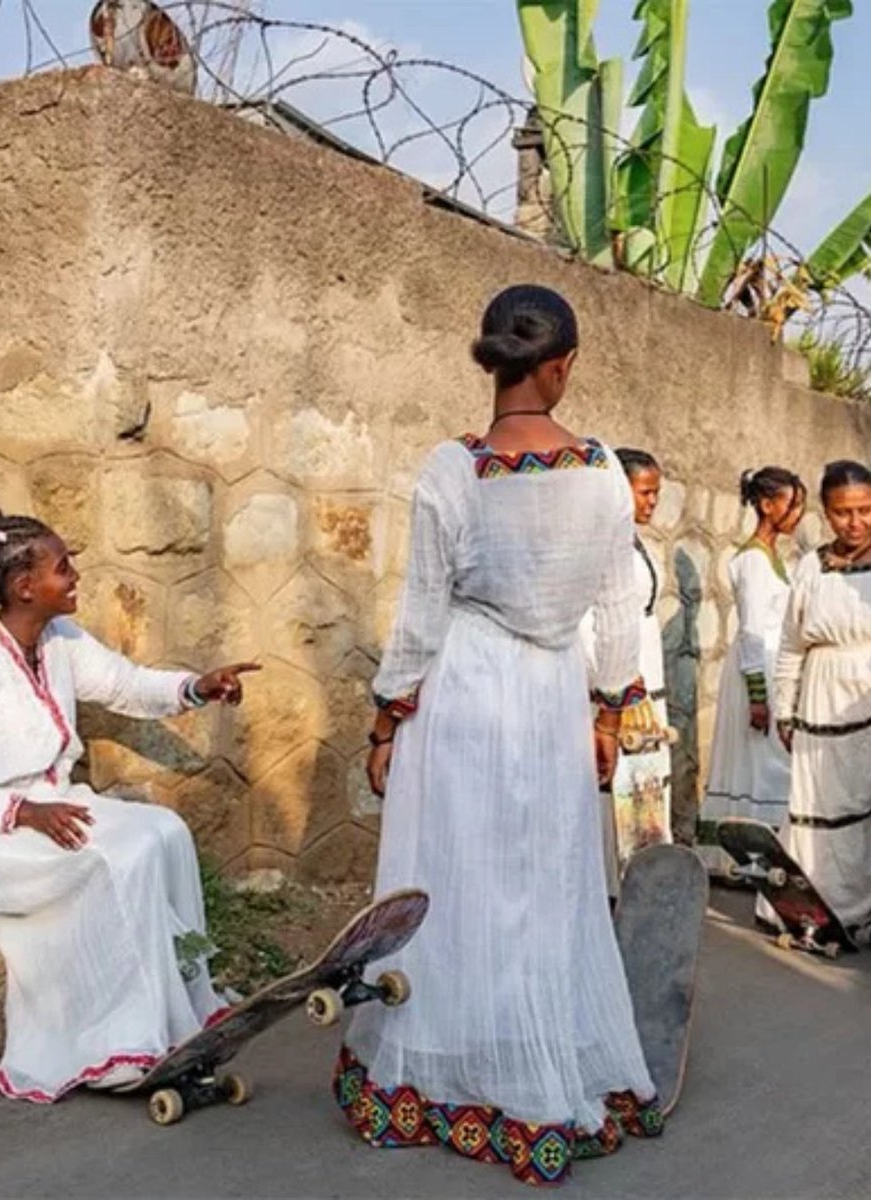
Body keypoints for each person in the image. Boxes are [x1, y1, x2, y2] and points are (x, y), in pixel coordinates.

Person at [333, 285, 663, 1188]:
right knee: (544, 880)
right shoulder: (601, 470)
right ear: (562, 366)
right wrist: (606, 712)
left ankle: (447, 1072)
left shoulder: (452, 468)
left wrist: (386, 716)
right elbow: (617, 607)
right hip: (554, 693)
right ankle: (545, 1071)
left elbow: (420, 615)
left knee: (457, 876)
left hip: (466, 691)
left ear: (491, 361)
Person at [0, 502, 259, 1102]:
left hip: (59, 806)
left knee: (167, 832)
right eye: (62, 568)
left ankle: (183, 1010)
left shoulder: (61, 640)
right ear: (25, 588)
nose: (75, 576)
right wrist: (21, 813)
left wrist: (195, 687)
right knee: (121, 858)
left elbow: (125, 683)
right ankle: (120, 1044)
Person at [770, 460, 871, 932]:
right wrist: (783, 709)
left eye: (866, 510)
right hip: (819, 700)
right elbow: (791, 645)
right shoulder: (811, 566)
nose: (856, 522)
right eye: (844, 512)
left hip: (865, 700)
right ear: (827, 515)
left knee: (861, 806)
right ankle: (814, 909)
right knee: (818, 806)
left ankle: (861, 909)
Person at [698, 467, 805, 874]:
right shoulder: (753, 563)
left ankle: (763, 851)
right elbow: (751, 633)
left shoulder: (772, 558)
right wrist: (759, 697)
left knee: (768, 761)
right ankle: (751, 855)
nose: (796, 513)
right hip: (754, 674)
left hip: (771, 669)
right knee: (765, 761)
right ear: (766, 505)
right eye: (790, 504)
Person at [584, 448, 671, 898]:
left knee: (645, 784)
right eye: (645, 492)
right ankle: (608, 888)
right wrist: (615, 685)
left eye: (657, 493)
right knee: (615, 785)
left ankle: (642, 880)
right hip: (621, 682)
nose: (652, 502)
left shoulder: (638, 543)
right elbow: (593, 621)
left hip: (646, 677)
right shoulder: (601, 545)